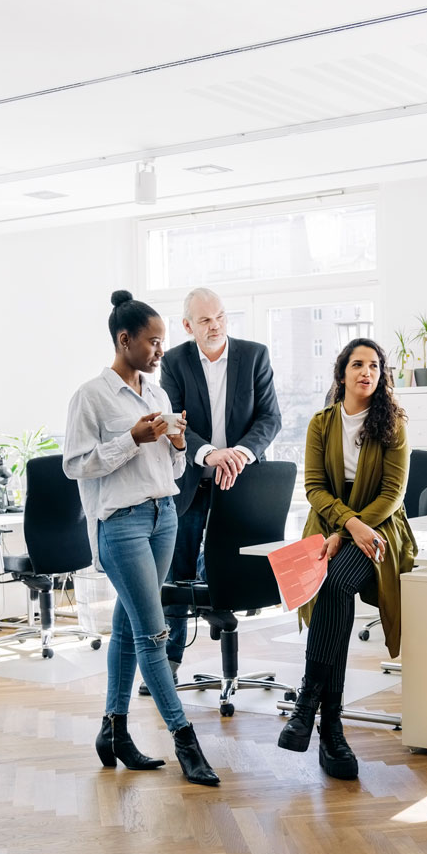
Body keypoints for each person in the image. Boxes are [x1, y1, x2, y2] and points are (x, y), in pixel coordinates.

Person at [63, 290, 218, 786]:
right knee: (155, 635)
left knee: (130, 627)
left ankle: (113, 730)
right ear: (124, 340)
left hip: (163, 515)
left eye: (163, 343)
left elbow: (169, 468)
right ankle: (185, 741)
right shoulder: (91, 396)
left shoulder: (157, 393)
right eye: (152, 343)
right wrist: (132, 438)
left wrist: (174, 444)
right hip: (122, 525)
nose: (159, 353)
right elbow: (75, 465)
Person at [278, 338, 415, 779]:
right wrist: (341, 525)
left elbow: (393, 494)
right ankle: (330, 730)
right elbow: (314, 487)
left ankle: (309, 708)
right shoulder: (321, 423)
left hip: (379, 532)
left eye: (375, 366)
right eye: (358, 364)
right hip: (328, 527)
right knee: (333, 596)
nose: (367, 372)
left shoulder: (393, 424)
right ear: (341, 374)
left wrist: (352, 528)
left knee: (335, 585)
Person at [155, 286, 282, 691]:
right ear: (188, 325)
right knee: (177, 571)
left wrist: (240, 453)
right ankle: (169, 662)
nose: (216, 326)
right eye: (206, 320)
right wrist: (210, 454)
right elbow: (174, 420)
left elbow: (270, 417)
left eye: (222, 317)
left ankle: (223, 624)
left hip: (241, 484)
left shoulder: (254, 355)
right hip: (193, 479)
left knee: (232, 569)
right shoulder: (174, 362)